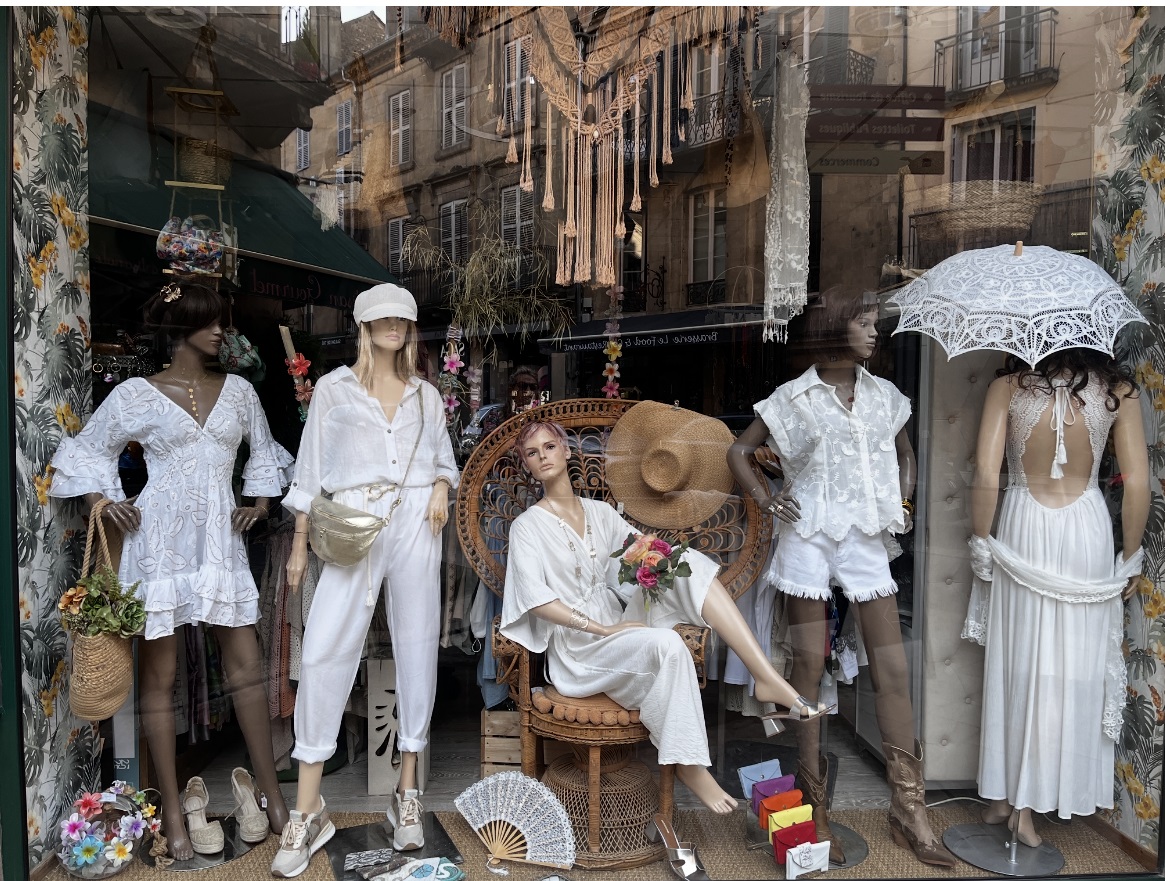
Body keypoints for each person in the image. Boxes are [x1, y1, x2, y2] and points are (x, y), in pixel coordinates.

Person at [50, 282, 293, 860]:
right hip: (156, 545)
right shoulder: (138, 393)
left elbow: (263, 452)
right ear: (179, 328)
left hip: (219, 545)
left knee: (246, 668)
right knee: (157, 679)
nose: (221, 333)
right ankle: (174, 820)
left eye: (222, 322)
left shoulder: (238, 393)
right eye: (209, 323)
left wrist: (257, 504)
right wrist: (102, 503)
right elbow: (87, 451)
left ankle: (273, 796)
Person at [500, 412, 830, 815]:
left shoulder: (599, 513)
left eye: (550, 446)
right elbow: (536, 602)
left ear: (566, 450)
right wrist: (605, 629)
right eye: (533, 453)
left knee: (684, 562)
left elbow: (639, 554)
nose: (543, 456)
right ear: (528, 465)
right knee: (668, 644)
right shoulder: (527, 527)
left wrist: (658, 557)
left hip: (620, 627)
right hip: (580, 650)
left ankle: (766, 678)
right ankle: (689, 764)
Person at [727, 288, 956, 867]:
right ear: (833, 328)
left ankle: (910, 808)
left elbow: (905, 453)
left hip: (864, 540)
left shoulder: (886, 397)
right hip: (806, 536)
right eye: (862, 320)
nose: (873, 330)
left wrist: (904, 492)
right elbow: (739, 452)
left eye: (874, 321)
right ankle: (813, 801)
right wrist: (766, 498)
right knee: (808, 663)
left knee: (892, 666)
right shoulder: (793, 398)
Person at [272, 284, 458, 877]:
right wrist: (299, 546)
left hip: (413, 523)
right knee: (327, 645)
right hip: (353, 519)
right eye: (383, 317)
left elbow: (444, 461)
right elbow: (309, 471)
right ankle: (308, 807)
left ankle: (408, 791)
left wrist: (438, 489)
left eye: (403, 317)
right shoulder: (333, 389)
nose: (395, 326)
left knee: (416, 643)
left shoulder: (427, 396)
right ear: (363, 324)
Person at [965, 349, 1148, 845]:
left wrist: (981, 539)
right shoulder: (1120, 393)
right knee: (1070, 666)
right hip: (1085, 529)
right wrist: (1131, 555)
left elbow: (986, 476)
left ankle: (1010, 799)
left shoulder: (1007, 387)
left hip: (1025, 522)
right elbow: (1137, 483)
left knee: (1018, 660)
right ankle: (1017, 798)